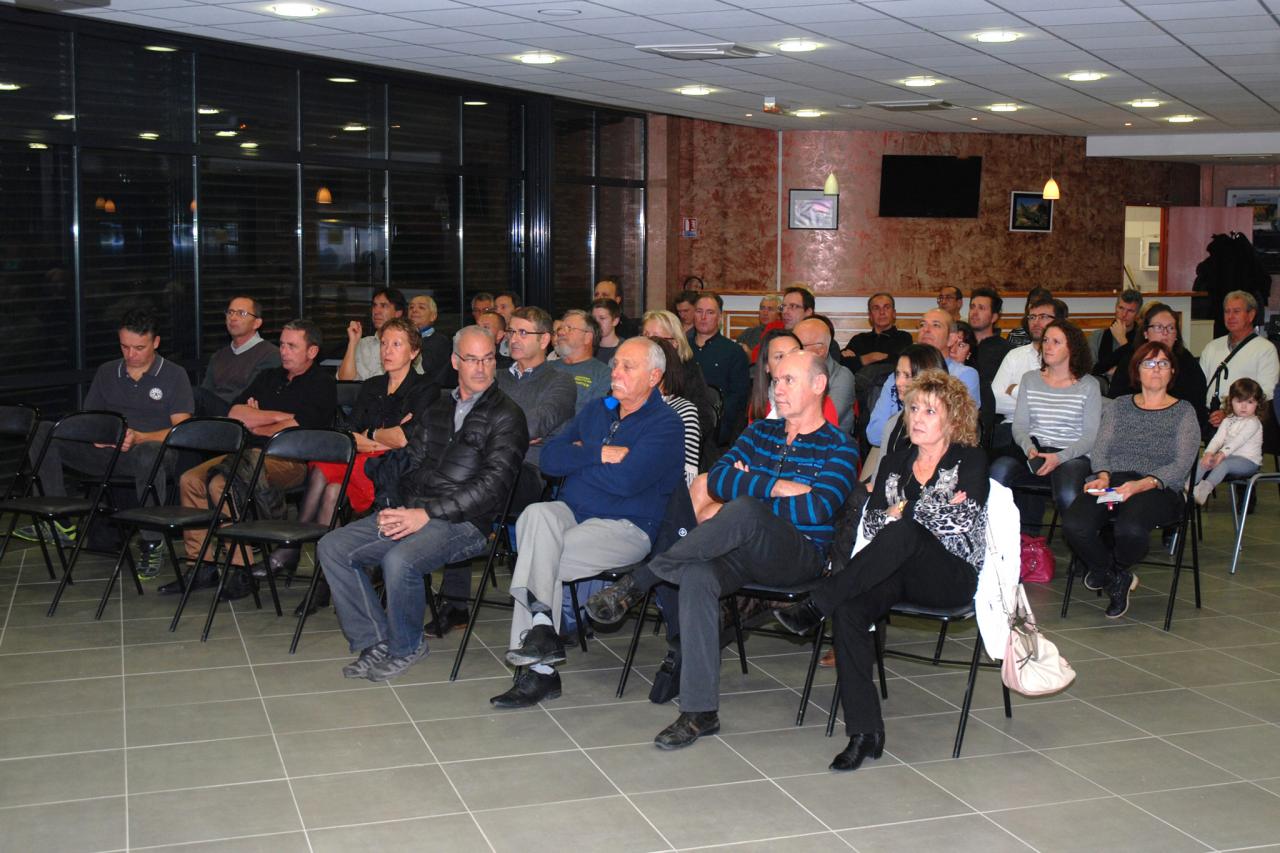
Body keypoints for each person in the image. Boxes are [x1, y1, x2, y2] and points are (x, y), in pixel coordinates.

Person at [584, 350, 858, 749]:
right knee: (697, 574)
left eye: (788, 381)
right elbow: (718, 482)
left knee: (745, 509)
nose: (776, 390)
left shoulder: (840, 446)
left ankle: (640, 580)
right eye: (775, 380)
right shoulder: (757, 433)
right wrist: (776, 486)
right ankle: (699, 712)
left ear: (818, 386)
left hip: (799, 557)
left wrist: (751, 489)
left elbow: (816, 507)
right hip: (742, 551)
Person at [772, 369, 987, 772]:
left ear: (953, 419)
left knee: (905, 530)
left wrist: (903, 511)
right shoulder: (894, 461)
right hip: (897, 573)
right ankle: (864, 732)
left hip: (950, 574)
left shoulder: (969, 460)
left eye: (929, 411)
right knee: (851, 611)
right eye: (913, 409)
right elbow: (870, 525)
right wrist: (925, 511)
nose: (917, 418)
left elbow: (963, 521)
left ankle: (818, 601)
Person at [315, 325, 528, 682]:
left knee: (400, 559)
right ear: (455, 362)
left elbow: (492, 487)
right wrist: (393, 506)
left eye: (488, 359)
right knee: (333, 546)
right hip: (417, 511)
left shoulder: (507, 415)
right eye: (471, 359)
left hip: (467, 523)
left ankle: (407, 645)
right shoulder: (439, 408)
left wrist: (425, 514)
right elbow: (408, 461)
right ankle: (375, 641)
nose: (480, 368)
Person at [489, 337, 684, 708]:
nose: (616, 372)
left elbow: (627, 481)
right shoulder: (599, 408)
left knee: (534, 557)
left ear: (654, 376)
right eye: (616, 365)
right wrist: (600, 454)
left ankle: (537, 672)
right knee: (536, 514)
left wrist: (580, 461)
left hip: (626, 526)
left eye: (628, 366)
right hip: (573, 515)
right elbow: (549, 459)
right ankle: (544, 630)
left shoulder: (666, 424)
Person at [428, 306, 576, 636]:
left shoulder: (561, 382)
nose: (514, 339)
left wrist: (496, 428)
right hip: (481, 469)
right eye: (511, 332)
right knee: (450, 485)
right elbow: (464, 420)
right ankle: (454, 602)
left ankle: (457, 591)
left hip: (529, 475)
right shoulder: (497, 376)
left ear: (546, 340)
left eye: (524, 333)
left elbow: (535, 425)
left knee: (459, 487)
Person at [163, 320, 337, 595]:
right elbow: (236, 413)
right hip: (244, 455)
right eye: (281, 344)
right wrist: (277, 417)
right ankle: (202, 565)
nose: (284, 351)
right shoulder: (268, 377)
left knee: (222, 484)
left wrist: (258, 421)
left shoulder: (322, 384)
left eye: (292, 346)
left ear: (312, 351)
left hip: (290, 460)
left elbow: (296, 429)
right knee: (190, 480)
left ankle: (241, 570)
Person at [22, 308, 194, 578]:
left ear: (156, 342)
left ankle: (152, 540)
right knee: (43, 431)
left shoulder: (174, 375)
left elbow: (182, 429)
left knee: (148, 453)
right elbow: (90, 419)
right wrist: (99, 437)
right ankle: (59, 520)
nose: (131, 355)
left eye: (139, 348)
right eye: (125, 347)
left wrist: (139, 437)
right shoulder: (107, 372)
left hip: (153, 453)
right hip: (109, 451)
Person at [273, 318, 437, 592]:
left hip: (395, 467)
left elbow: (404, 439)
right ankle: (325, 576)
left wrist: (370, 435)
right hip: (363, 459)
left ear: (413, 351)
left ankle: (296, 554)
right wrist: (380, 437)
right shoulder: (372, 385)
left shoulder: (424, 388)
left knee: (331, 482)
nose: (387, 350)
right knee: (327, 477)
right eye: (384, 343)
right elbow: (348, 434)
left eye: (396, 344)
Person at [1061, 340, 1200, 618]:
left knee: (1130, 529)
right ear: (1137, 371)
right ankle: (1114, 576)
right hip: (1115, 480)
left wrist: (1141, 485)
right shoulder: (1121, 406)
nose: (1156, 369)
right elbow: (1101, 448)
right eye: (1149, 363)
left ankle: (1111, 567)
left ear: (1172, 371)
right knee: (1075, 523)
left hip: (1159, 486)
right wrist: (1102, 475)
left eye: (1163, 363)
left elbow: (1182, 463)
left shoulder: (1184, 411)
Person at [989, 321, 1101, 534]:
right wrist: (1028, 447)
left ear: (1072, 348)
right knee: (997, 473)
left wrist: (1059, 457)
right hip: (1035, 450)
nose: (1047, 346)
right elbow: (1020, 425)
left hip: (1071, 454)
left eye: (1056, 342)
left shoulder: (1089, 385)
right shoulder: (1030, 379)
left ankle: (1082, 548)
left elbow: (1089, 436)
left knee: (1067, 493)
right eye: (1046, 340)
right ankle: (998, 545)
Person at [865, 309, 980, 447]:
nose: (926, 330)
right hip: (892, 450)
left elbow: (956, 432)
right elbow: (875, 434)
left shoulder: (963, 375)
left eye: (936, 325)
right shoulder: (898, 374)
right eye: (922, 325)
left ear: (951, 338)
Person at [1103, 302, 1209, 436]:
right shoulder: (1132, 358)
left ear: (1176, 335)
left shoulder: (1187, 362)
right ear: (1146, 333)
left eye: (1170, 328)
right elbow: (1117, 402)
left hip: (1177, 432)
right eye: (1159, 327)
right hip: (1134, 430)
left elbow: (1196, 408)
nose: (1165, 333)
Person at [860, 344, 947, 483]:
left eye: (908, 375)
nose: (899, 382)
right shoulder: (893, 422)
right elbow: (878, 479)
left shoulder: (949, 422)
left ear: (929, 378)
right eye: (897, 374)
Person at [643, 309, 716, 462]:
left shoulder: (688, 372)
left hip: (679, 450)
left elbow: (703, 421)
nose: (647, 343)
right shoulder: (635, 371)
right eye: (645, 335)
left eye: (655, 337)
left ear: (674, 343)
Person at [1200, 291, 1279, 428]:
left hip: (1245, 427)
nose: (1230, 317)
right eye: (1227, 312)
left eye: (1236, 311)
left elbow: (1266, 393)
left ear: (1251, 315)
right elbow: (1200, 385)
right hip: (1211, 421)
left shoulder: (1265, 349)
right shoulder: (1212, 347)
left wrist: (1230, 414)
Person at [195, 296, 280, 417]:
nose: (233, 318)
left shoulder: (270, 355)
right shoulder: (219, 355)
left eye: (241, 313)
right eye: (230, 312)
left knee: (194, 395)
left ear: (257, 323)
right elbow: (207, 391)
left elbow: (251, 396)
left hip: (239, 415)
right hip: (212, 414)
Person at [688, 292, 751, 444]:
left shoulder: (734, 351)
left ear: (720, 317)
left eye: (710, 312)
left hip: (720, 432)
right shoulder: (682, 348)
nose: (703, 317)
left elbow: (739, 397)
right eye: (699, 311)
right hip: (685, 427)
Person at [991, 296, 1067, 420]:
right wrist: (1040, 406)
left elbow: (1061, 404)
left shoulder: (1067, 357)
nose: (1036, 322)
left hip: (1054, 429)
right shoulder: (1014, 355)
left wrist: (1014, 390)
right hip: (1012, 427)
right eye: (1032, 317)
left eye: (1043, 317)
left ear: (1058, 321)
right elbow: (995, 401)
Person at [1194, 378, 1266, 505]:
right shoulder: (1228, 420)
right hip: (1229, 457)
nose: (1243, 406)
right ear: (1231, 401)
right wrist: (1209, 453)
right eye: (1239, 401)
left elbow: (1238, 441)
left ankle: (1204, 490)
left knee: (1223, 464)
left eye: (1250, 402)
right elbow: (1218, 439)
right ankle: (1187, 488)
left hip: (1249, 462)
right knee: (1203, 461)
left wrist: (1221, 455)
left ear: (1257, 404)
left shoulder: (1253, 422)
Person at [748, 329, 839, 427]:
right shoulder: (759, 405)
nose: (789, 361)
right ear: (767, 366)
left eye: (794, 353)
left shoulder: (821, 403)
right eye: (780, 356)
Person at [652, 337, 702, 485]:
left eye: (630, 367)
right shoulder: (620, 406)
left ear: (657, 374)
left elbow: (687, 478)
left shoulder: (683, 411)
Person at [795, 316, 856, 435]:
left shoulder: (842, 376)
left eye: (799, 347)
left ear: (820, 350)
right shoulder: (790, 371)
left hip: (829, 448)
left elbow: (822, 423)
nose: (792, 352)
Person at [337, 287, 407, 381]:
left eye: (383, 306)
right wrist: (353, 343)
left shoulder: (406, 345)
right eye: (374, 305)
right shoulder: (362, 344)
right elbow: (344, 381)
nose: (376, 311)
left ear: (398, 313)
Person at [550, 308, 611, 412]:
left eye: (569, 328)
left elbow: (597, 415)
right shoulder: (546, 367)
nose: (560, 333)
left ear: (587, 337)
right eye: (560, 329)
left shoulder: (604, 374)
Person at [841, 292, 911, 372]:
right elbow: (842, 363)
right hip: (861, 384)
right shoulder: (859, 339)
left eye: (887, 307)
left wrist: (861, 359)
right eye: (876, 308)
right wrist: (873, 357)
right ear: (870, 316)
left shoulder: (903, 337)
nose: (882, 312)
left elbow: (902, 362)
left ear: (894, 313)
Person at [1089, 289, 1143, 382]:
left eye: (1130, 311)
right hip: (1101, 387)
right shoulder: (1097, 336)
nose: (1124, 314)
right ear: (1115, 307)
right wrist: (1110, 372)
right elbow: (1091, 369)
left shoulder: (1143, 337)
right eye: (1121, 308)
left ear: (1137, 314)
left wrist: (1123, 342)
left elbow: (1139, 371)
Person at [407, 294, 454, 388]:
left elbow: (426, 369)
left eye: (421, 307)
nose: (414, 310)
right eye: (411, 307)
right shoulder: (401, 338)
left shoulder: (440, 341)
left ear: (433, 316)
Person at [591, 297, 625, 364]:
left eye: (602, 318)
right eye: (594, 319)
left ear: (615, 321)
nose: (596, 323)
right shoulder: (587, 347)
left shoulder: (625, 348)